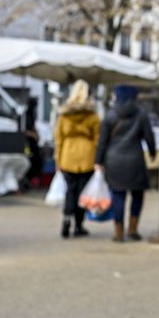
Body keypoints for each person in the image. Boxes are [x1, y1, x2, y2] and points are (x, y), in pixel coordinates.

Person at [95, 85, 156, 243]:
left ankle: (119, 232)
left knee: (118, 196)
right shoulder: (141, 114)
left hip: (113, 160)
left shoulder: (110, 115)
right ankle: (133, 229)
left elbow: (102, 142)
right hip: (135, 159)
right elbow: (149, 136)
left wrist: (98, 161)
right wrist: (152, 152)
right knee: (137, 195)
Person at [54, 80, 100, 239]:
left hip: (68, 155)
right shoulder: (93, 116)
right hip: (87, 157)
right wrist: (98, 159)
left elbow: (58, 139)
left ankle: (66, 220)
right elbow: (97, 139)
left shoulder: (64, 115)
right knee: (82, 193)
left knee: (70, 191)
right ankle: (79, 225)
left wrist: (58, 160)